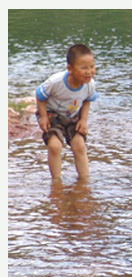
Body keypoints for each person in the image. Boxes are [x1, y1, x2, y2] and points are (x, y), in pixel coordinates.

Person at [36, 44, 98, 181]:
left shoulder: (89, 84)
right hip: (52, 114)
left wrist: (83, 120)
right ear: (70, 69)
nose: (89, 72)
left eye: (92, 67)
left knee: (79, 145)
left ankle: (84, 182)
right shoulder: (56, 82)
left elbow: (88, 100)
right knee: (54, 145)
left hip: (73, 116)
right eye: (83, 68)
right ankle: (56, 182)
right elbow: (40, 96)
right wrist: (44, 117)